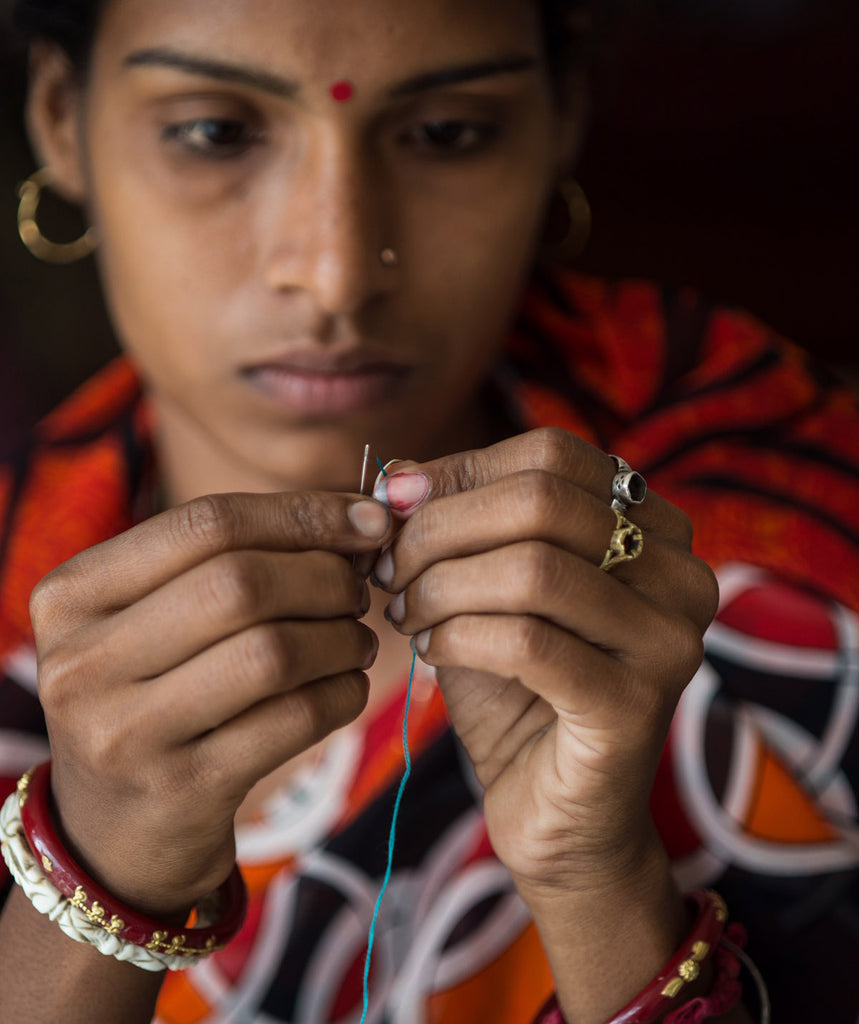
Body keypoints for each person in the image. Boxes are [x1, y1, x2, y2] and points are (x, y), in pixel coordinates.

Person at [0, 1, 857, 1022]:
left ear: (559, 116)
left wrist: (597, 881)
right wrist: (97, 873)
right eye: (215, 132)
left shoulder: (802, 567)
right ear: (61, 119)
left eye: (446, 134)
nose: (338, 274)